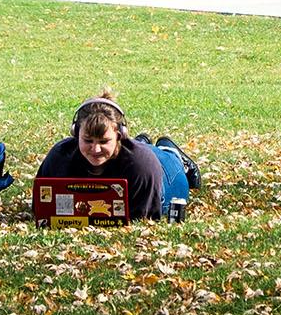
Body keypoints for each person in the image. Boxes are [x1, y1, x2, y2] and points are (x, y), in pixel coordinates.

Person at [36, 91, 193, 221]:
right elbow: (40, 206)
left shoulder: (141, 164)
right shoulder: (60, 155)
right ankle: (140, 141)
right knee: (137, 148)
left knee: (167, 159)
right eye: (88, 140)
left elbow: (145, 217)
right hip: (130, 153)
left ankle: (172, 151)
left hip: (164, 174)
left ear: (120, 136)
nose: (95, 149)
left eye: (104, 141)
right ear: (75, 133)